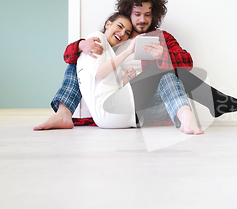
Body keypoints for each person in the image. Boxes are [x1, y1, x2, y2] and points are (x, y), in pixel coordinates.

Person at [34, 0, 237, 132]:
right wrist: (82, 44)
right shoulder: (114, 37)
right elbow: (70, 56)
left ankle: (208, 105)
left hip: (151, 102)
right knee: (76, 61)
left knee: (165, 71)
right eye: (137, 14)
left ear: (154, 15)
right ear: (128, 13)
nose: (142, 19)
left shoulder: (160, 37)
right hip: (116, 102)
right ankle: (63, 113)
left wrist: (163, 55)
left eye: (147, 14)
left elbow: (187, 61)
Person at [75, 12, 203, 133]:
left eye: (127, 32)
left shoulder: (111, 53)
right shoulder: (97, 38)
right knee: (160, 69)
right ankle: (205, 103)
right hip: (110, 112)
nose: (122, 33)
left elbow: (109, 85)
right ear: (108, 24)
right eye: (119, 26)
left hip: (122, 117)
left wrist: (126, 79)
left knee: (169, 76)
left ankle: (186, 115)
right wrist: (128, 51)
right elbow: (97, 73)